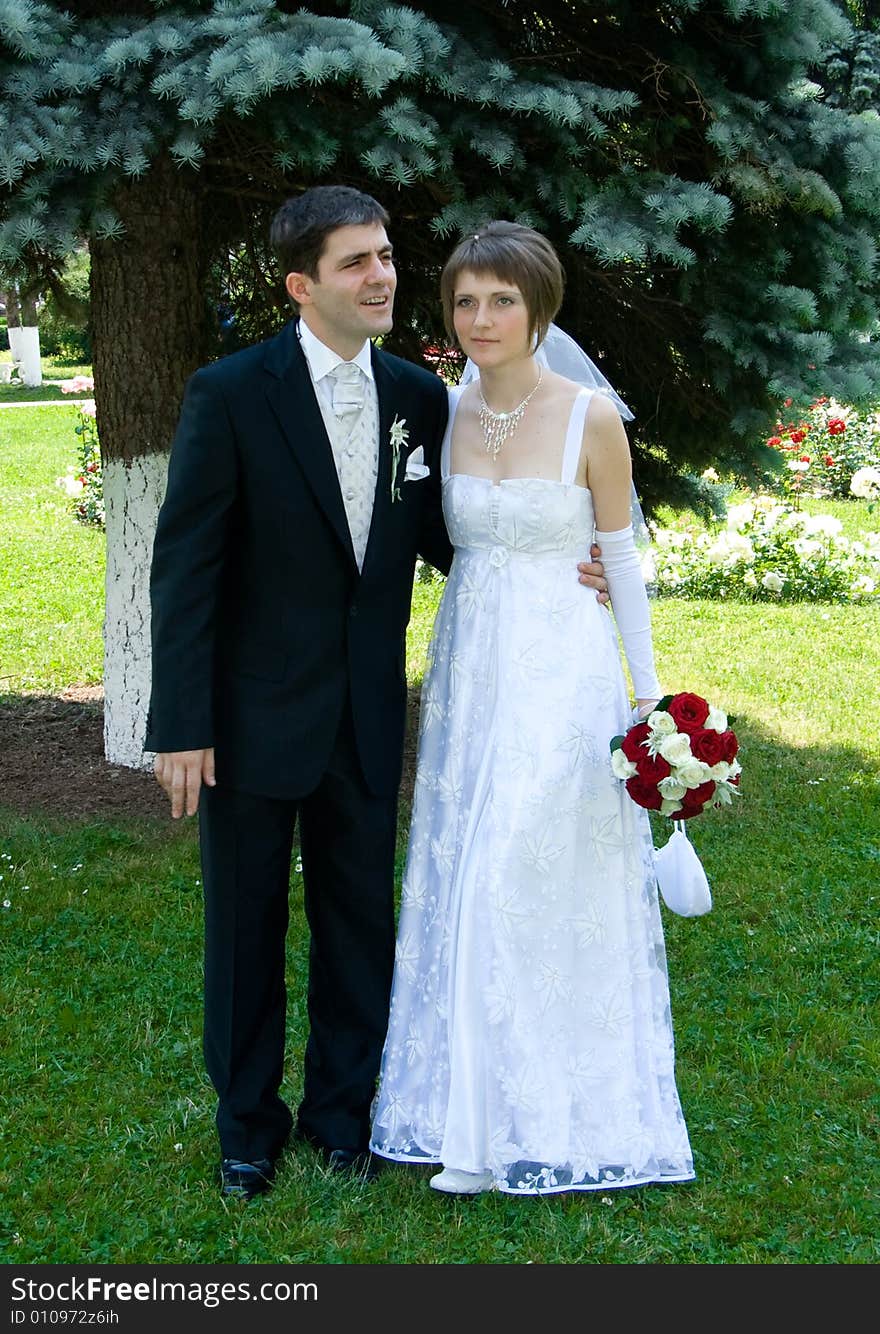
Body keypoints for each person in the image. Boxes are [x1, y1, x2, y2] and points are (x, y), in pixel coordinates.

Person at [145, 187, 610, 1201]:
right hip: (250, 713)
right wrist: (180, 721)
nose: (384, 275)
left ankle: (343, 1115)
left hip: (364, 712)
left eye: (388, 254)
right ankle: (246, 1126)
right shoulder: (230, 393)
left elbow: (457, 536)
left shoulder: (416, 397)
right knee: (246, 924)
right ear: (302, 284)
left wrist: (570, 562)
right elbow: (185, 568)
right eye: (358, 261)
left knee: (359, 920)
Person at [370, 220, 696, 1196]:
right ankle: (468, 1106)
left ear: (539, 308)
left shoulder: (590, 416)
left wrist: (649, 706)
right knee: (465, 863)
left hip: (562, 666)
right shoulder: (443, 411)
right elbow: (425, 530)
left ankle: (532, 1112)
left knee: (519, 866)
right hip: (471, 670)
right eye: (464, 301)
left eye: (501, 300)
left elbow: (622, 561)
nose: (480, 319)